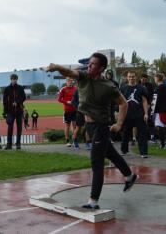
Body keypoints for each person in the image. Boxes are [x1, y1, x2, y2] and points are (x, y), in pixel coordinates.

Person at [46, 52, 138, 210]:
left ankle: (93, 201)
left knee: (97, 162)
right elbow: (69, 72)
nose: (89, 65)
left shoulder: (108, 86)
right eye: (89, 63)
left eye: (93, 64)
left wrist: (119, 124)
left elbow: (124, 104)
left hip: (101, 126)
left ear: (101, 68)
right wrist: (56, 67)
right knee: (110, 153)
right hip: (89, 126)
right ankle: (130, 176)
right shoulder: (83, 77)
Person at [120, 71, 149, 158]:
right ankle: (124, 150)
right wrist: (120, 114)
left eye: (133, 77)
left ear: (135, 77)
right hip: (127, 115)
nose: (131, 78)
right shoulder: (123, 88)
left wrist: (146, 113)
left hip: (139, 115)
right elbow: (120, 102)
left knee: (142, 134)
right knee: (125, 134)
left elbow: (144, 101)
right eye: (129, 77)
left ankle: (143, 152)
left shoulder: (141, 88)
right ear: (127, 77)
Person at [3, 73, 26, 150]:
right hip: (10, 112)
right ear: (11, 79)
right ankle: (9, 144)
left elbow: (24, 97)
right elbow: (4, 102)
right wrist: (4, 112)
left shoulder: (20, 88)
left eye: (15, 79)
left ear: (17, 80)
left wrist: (17, 102)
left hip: (19, 111)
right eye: (13, 79)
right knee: (10, 128)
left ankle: (18, 144)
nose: (14, 80)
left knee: (19, 128)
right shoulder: (7, 89)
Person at [152, 73, 166, 149]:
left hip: (160, 111)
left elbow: (155, 101)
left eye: (155, 78)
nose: (154, 79)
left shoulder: (158, 88)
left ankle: (162, 144)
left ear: (157, 78)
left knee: (160, 128)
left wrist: (152, 111)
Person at [58, 77, 77, 146]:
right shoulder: (63, 89)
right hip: (67, 110)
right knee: (67, 126)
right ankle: (67, 140)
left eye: (72, 80)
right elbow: (59, 99)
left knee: (74, 126)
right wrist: (67, 102)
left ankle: (74, 140)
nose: (71, 82)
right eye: (69, 81)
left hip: (74, 110)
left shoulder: (75, 89)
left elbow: (77, 98)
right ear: (67, 82)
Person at [140, 74, 156, 142]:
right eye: (143, 79)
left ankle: (152, 136)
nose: (144, 81)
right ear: (141, 79)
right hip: (140, 106)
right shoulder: (138, 85)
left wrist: (149, 104)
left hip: (148, 105)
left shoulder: (149, 85)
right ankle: (142, 137)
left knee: (150, 121)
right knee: (141, 121)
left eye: (145, 80)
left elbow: (152, 95)